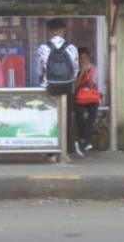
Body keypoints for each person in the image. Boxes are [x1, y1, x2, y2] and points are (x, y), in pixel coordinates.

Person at [37, 18, 79, 153]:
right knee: (66, 117)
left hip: (48, 87)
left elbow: (39, 70)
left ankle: (50, 148)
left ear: (49, 31)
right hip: (67, 88)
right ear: (63, 30)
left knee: (49, 117)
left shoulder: (43, 48)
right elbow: (75, 70)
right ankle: (67, 147)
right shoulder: (72, 48)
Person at [73, 47, 102, 157]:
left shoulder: (94, 68)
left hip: (91, 97)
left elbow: (91, 84)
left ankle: (83, 140)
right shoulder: (76, 69)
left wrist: (88, 74)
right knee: (79, 114)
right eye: (81, 58)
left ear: (89, 58)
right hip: (80, 97)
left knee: (93, 113)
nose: (84, 60)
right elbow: (76, 85)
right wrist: (81, 73)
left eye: (85, 58)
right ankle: (83, 140)